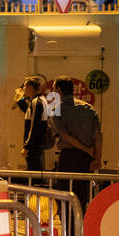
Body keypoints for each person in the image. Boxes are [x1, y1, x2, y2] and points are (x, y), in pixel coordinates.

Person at [50, 76, 102, 212]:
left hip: (69, 157)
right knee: (83, 196)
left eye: (54, 88)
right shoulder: (89, 109)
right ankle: (81, 229)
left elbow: (65, 136)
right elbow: (98, 135)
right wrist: (97, 157)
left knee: (65, 196)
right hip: (87, 159)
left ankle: (69, 231)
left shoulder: (56, 109)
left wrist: (86, 149)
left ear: (59, 90)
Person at [16, 76, 50, 173]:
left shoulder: (37, 102)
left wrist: (27, 146)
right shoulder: (38, 100)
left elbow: (34, 126)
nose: (23, 89)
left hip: (34, 145)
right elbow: (28, 112)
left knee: (34, 172)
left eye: (25, 87)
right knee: (35, 170)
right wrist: (20, 100)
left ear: (31, 87)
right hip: (36, 144)